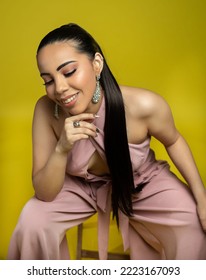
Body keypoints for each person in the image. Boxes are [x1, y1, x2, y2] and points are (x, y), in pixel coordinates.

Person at [7, 23, 206, 260]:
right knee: (32, 220)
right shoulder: (46, 110)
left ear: (96, 64)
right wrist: (61, 149)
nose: (59, 88)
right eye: (48, 80)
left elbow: (173, 141)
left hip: (140, 183)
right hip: (80, 187)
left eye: (69, 72)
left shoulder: (144, 105)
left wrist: (202, 198)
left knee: (193, 221)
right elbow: (45, 194)